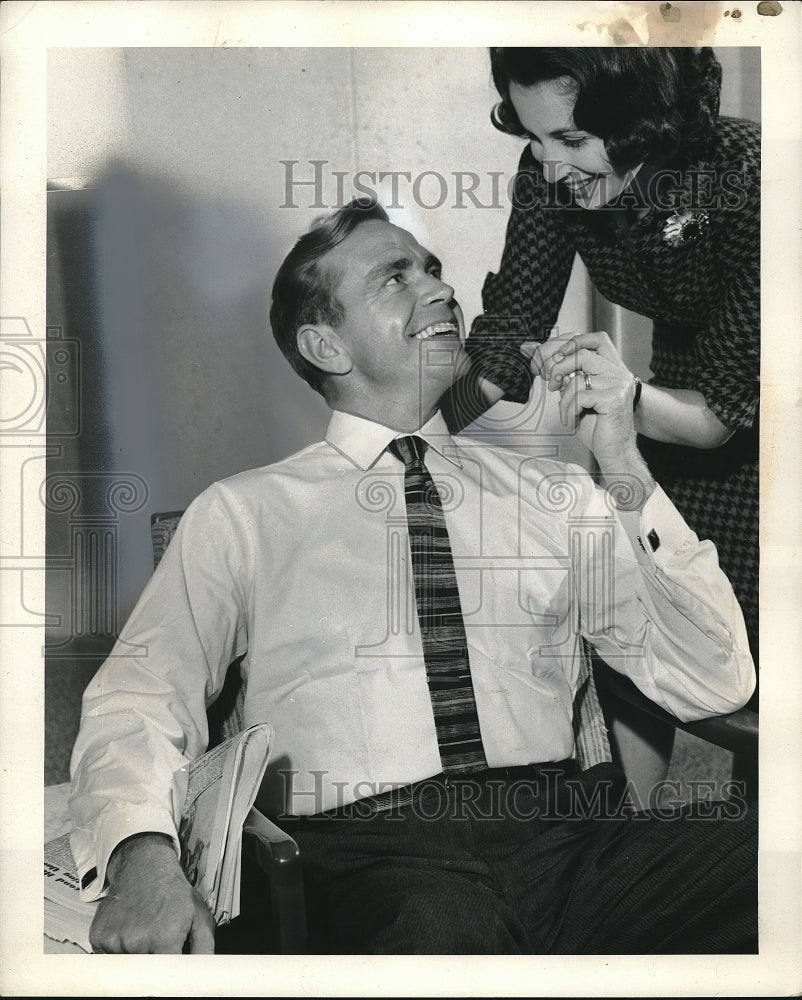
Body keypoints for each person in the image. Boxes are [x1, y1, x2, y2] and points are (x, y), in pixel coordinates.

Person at [69, 198, 757, 955]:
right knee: (441, 934)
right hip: (376, 859)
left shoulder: (556, 496)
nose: (440, 289)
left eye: (431, 268)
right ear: (326, 345)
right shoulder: (244, 514)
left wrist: (624, 463)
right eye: (395, 277)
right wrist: (140, 854)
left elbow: (714, 682)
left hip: (572, 840)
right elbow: (138, 696)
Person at [445, 46, 760, 800]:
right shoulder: (549, 173)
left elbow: (721, 417)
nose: (550, 168)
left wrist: (623, 398)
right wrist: (426, 428)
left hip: (759, 408)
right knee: (637, 635)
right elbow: (510, 329)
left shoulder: (747, 177)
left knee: (754, 690)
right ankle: (630, 839)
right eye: (533, 137)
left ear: (643, 128)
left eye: (573, 141)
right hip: (671, 398)